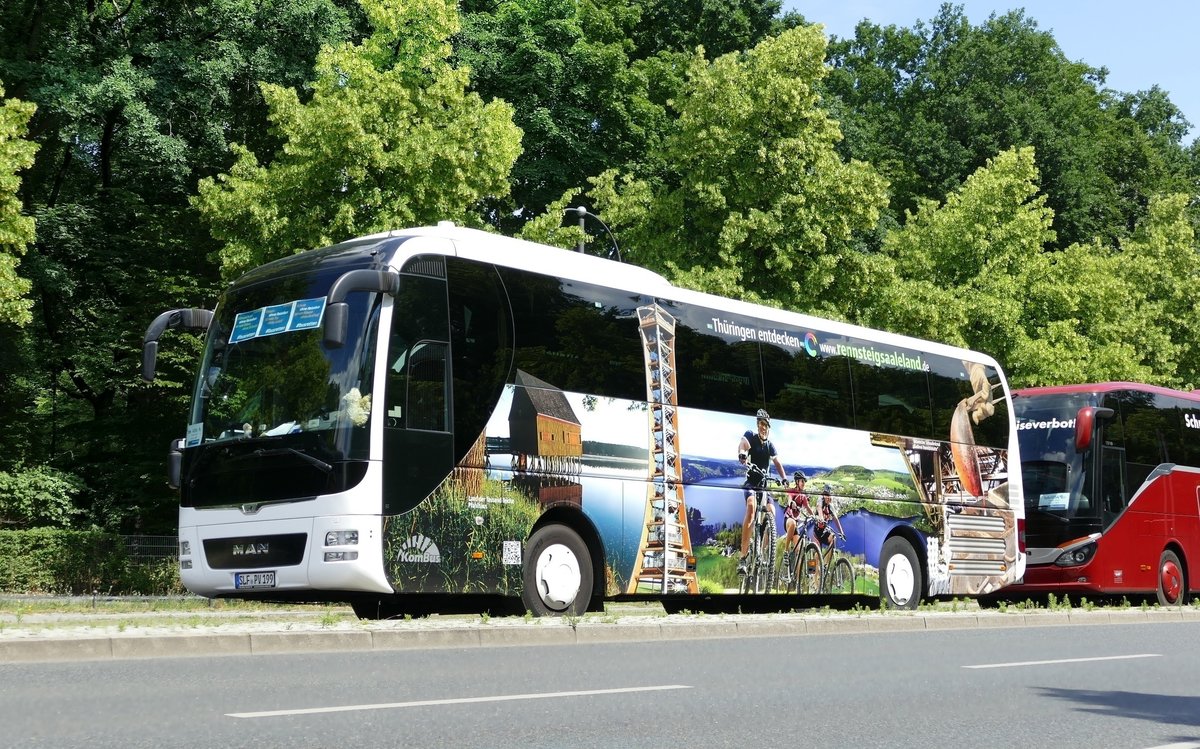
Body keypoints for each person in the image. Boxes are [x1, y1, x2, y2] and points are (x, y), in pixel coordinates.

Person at [735, 408, 788, 576]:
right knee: (751, 507)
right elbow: (743, 445)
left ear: (768, 428)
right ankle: (743, 558)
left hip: (764, 486)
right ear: (757, 425)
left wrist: (784, 478)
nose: (763, 427)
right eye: (761, 424)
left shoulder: (770, 445)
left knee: (771, 511)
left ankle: (762, 552)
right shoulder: (751, 436)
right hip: (751, 483)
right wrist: (742, 454)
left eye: (765, 425)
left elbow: (777, 462)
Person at [779, 470, 814, 581]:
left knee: (799, 551)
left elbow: (808, 508)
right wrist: (791, 503)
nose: (803, 483)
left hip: (795, 525)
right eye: (802, 481)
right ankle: (786, 551)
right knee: (793, 523)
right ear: (797, 482)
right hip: (788, 521)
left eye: (804, 481)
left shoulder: (803, 496)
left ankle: (797, 579)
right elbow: (789, 499)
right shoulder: (793, 491)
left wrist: (815, 517)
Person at [813, 484, 846, 571]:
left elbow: (836, 519)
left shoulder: (830, 506)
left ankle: (825, 565)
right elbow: (819, 508)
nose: (828, 498)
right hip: (817, 532)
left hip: (824, 531)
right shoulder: (820, 500)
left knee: (833, 538)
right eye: (826, 495)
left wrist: (842, 532)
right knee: (816, 554)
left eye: (829, 496)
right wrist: (821, 518)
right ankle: (810, 572)